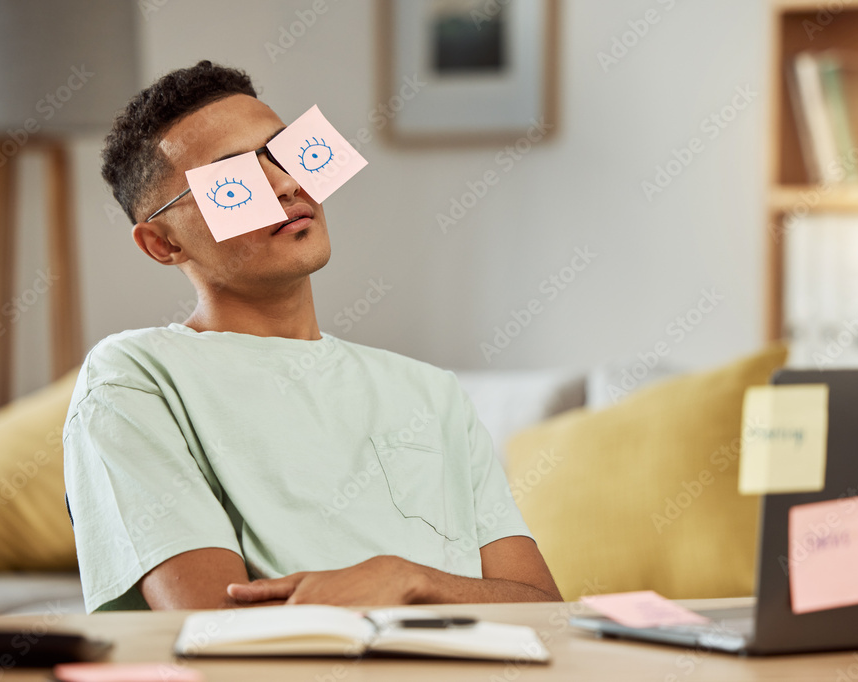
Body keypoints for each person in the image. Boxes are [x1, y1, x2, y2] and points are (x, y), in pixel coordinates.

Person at [63, 60, 561, 612]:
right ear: (163, 244)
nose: (286, 184)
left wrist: (410, 580)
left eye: (284, 153)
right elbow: (215, 629)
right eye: (234, 179)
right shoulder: (135, 376)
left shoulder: (431, 392)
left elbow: (543, 611)